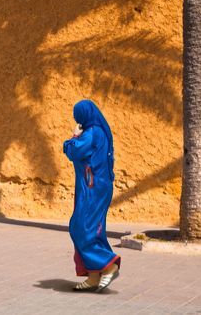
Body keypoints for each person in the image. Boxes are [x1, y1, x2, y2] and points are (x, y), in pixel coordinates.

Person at [63, 100, 121, 292]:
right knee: (92, 229)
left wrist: (73, 137)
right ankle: (94, 275)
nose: (76, 118)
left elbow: (74, 151)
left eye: (78, 114)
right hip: (94, 187)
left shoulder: (92, 133)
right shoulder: (98, 131)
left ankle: (108, 265)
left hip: (92, 188)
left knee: (81, 228)